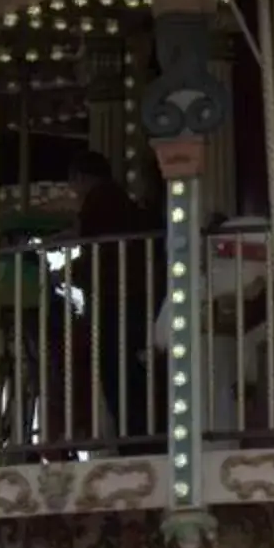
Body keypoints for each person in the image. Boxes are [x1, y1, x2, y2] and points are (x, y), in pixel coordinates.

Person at [66, 147, 159, 450]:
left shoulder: (99, 201)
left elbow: (96, 250)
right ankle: (141, 438)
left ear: (81, 178)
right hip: (136, 297)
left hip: (115, 299)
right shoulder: (123, 203)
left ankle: (134, 441)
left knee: (116, 373)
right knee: (133, 373)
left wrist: (74, 272)